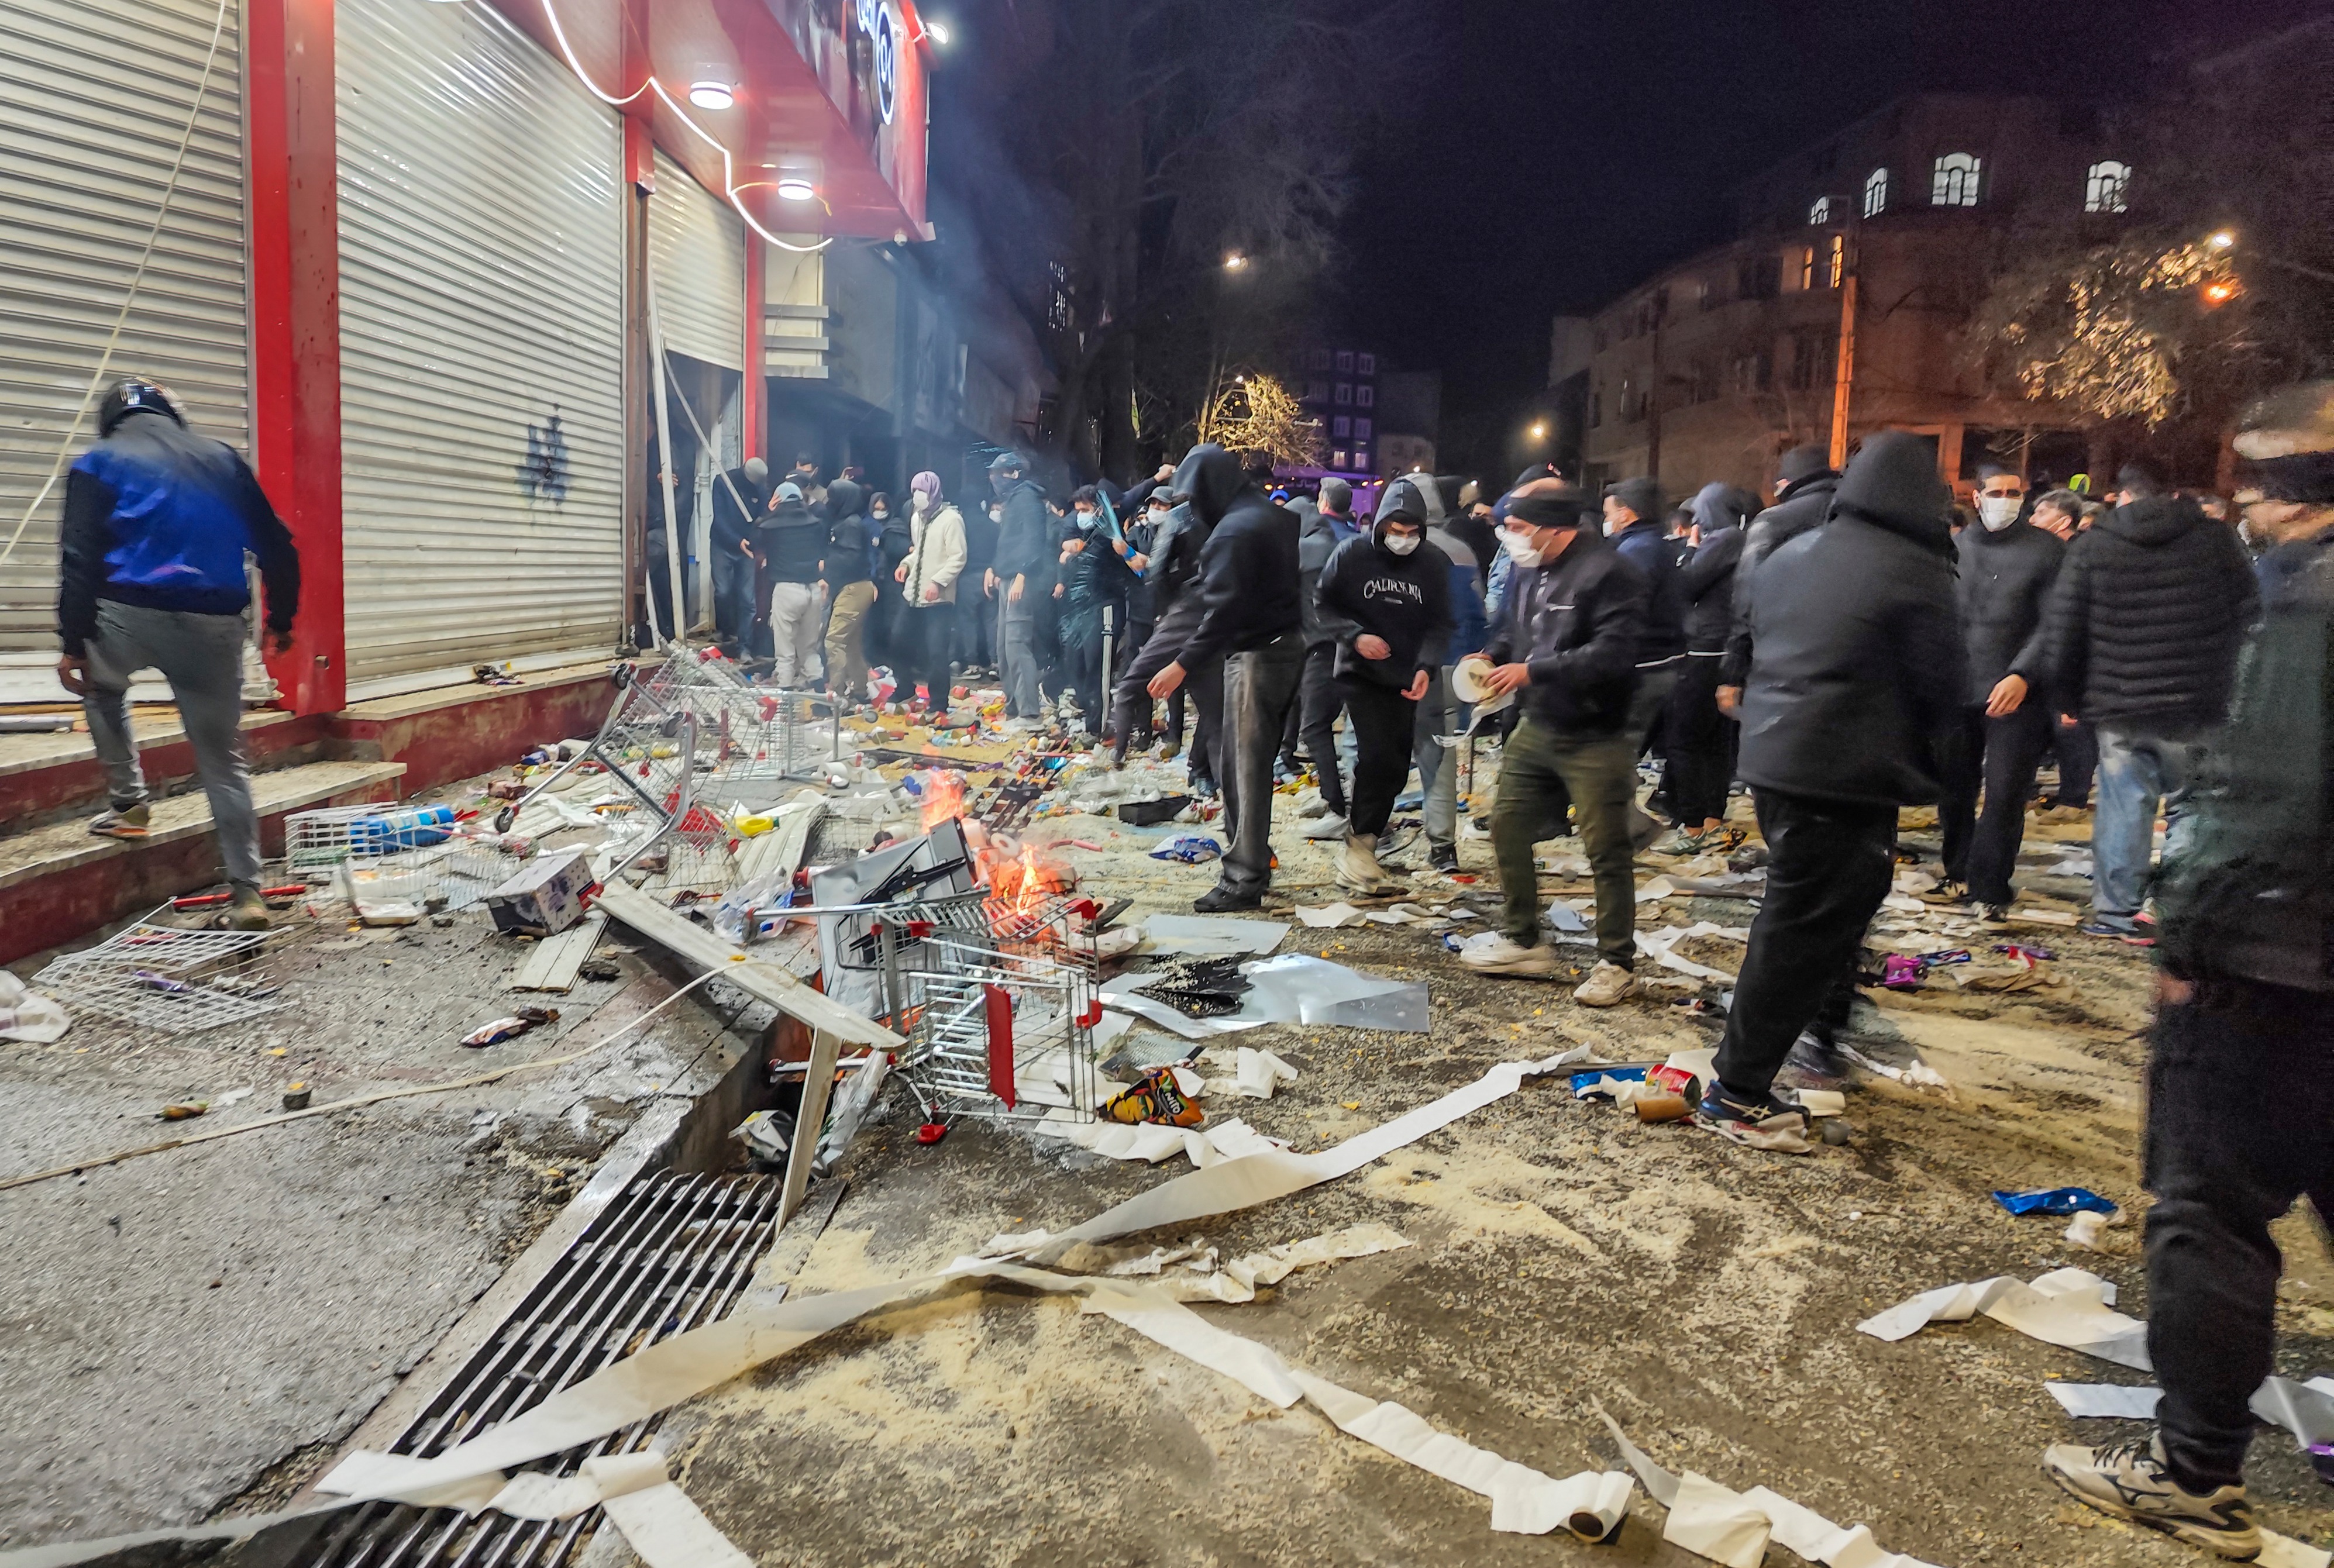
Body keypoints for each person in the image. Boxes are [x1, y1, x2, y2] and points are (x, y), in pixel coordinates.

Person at [2042, 383, 2334, 1562]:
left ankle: (2195, 1468)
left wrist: (2188, 938)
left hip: (2270, 966)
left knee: (2210, 1209)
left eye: (2259, 485)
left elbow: (2265, 800)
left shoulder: (2304, 611)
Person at [1699, 432, 1963, 1128]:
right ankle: (1739, 1089)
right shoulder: (1916, 569)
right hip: (1847, 773)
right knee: (1801, 927)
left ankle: (1765, 1064)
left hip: (1776, 760)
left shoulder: (1793, 552)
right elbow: (1947, 684)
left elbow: (1752, 633)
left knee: (1804, 916)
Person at [57, 377, 300, 931]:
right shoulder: (221, 459)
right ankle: (248, 893)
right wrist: (280, 621)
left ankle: (129, 805)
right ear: (171, 414)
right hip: (211, 626)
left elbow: (78, 558)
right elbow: (277, 545)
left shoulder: (97, 462)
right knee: (223, 762)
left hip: (125, 615)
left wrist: (73, 645)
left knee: (101, 688)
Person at [2036, 464, 2259, 939]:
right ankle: (2173, 911)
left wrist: (2068, 698)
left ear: (2121, 496)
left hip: (2119, 703)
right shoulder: (2216, 541)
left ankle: (2116, 914)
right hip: (2199, 702)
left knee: (2123, 808)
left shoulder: (2095, 545)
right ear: (2177, 493)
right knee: (2191, 809)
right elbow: (2249, 614)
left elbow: (2064, 629)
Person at [1457, 488, 1650, 1008]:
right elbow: (1513, 631)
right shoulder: (1528, 567)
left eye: (1517, 527)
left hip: (1597, 732)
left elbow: (1613, 654)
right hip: (1538, 724)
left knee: (1606, 848)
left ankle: (1617, 961)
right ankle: (1523, 938)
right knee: (1507, 823)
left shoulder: (1613, 573)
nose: (1510, 537)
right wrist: (1492, 656)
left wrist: (1531, 671)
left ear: (1553, 527)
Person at [1146, 445, 1302, 912]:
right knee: (1249, 765)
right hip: (1285, 644)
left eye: (1195, 497)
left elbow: (1222, 614)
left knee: (1242, 769)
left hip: (1256, 653)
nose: (1194, 509)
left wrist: (1181, 664)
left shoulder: (1234, 532)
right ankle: (1254, 855)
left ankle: (1243, 878)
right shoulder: (1271, 516)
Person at [1937, 463, 2063, 916]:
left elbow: (2055, 622)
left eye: (2015, 492)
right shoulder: (1955, 548)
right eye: (1997, 492)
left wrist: (2022, 673)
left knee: (2006, 790)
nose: (2006, 500)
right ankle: (1958, 868)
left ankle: (1989, 885)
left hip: (2016, 690)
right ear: (1977, 497)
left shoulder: (2047, 551)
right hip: (1958, 687)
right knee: (1954, 785)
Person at [1316, 506, 1452, 891]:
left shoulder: (1432, 564)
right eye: (1396, 530)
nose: (1404, 538)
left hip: (1407, 675)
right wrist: (1355, 635)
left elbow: (1441, 623)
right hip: (1360, 672)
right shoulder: (1352, 554)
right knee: (1375, 755)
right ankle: (1358, 847)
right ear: (1380, 527)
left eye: (1413, 532)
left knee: (1395, 762)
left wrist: (1427, 666)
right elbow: (1322, 603)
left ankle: (1367, 842)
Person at [1109, 484, 1223, 788]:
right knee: (1212, 705)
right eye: (1155, 504)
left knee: (1137, 683)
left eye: (1164, 504)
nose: (1159, 510)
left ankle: (1128, 751)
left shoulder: (1183, 524)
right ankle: (1202, 772)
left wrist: (1163, 607)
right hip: (1194, 616)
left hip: (1183, 616)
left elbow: (1154, 570)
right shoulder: (1219, 522)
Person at [1661, 483, 1752, 850]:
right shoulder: (1746, 539)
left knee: (1684, 741)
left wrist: (1689, 549)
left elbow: (1684, 586)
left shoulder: (1724, 541)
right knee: (1716, 744)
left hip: (1704, 652)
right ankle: (1713, 818)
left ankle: (1694, 824)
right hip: (1728, 652)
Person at [1603, 477, 1686, 843]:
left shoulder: (1635, 552)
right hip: (1661, 661)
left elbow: (1622, 612)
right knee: (1625, 748)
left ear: (1626, 511)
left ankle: (1629, 830)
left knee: (1616, 750)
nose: (1608, 520)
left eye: (1609, 511)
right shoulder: (1660, 546)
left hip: (1641, 666)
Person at [1294, 478, 1367, 838]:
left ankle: (1337, 807)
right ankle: (1344, 802)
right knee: (1351, 731)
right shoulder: (1348, 544)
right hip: (1353, 645)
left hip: (1324, 647)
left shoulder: (1305, 554)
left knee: (1314, 727)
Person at [1054, 487, 1138, 736]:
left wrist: (1128, 552)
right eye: (1077, 510)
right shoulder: (1083, 535)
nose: (1079, 514)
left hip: (1105, 608)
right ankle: (1089, 710)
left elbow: (1135, 566)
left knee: (1097, 668)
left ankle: (1098, 727)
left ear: (1099, 510)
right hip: (1080, 610)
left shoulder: (1110, 537)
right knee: (1074, 661)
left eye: (1085, 510)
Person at [896, 472, 968, 720]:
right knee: (899, 639)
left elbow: (958, 557)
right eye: (914, 490)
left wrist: (938, 581)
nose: (918, 496)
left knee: (937, 651)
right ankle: (905, 687)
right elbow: (919, 551)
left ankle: (938, 702)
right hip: (913, 593)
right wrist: (906, 564)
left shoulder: (951, 519)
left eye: (922, 491)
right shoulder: (916, 518)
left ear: (934, 492)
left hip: (938, 598)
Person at [986, 452, 1051, 723]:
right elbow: (1009, 543)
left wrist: (1023, 574)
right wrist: (994, 568)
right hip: (1008, 579)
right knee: (1003, 647)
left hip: (1021, 581)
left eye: (999, 474)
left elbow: (1034, 540)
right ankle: (1013, 708)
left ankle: (1030, 712)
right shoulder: (1012, 500)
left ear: (1014, 474)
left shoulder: (1027, 499)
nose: (994, 480)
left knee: (1017, 644)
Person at [753, 480, 826, 686]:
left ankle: (785, 708)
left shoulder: (771, 526)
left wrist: (769, 512)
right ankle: (821, 702)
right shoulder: (814, 522)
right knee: (809, 651)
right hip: (812, 591)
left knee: (785, 655)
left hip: (787, 591)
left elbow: (754, 541)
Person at [818, 477, 878, 704]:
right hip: (853, 588)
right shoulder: (844, 521)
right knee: (851, 643)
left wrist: (827, 564)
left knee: (834, 641)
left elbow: (851, 557)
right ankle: (861, 691)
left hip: (854, 588)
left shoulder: (851, 525)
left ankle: (837, 693)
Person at [709, 456, 767, 654]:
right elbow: (719, 519)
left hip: (747, 550)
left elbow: (761, 520)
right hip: (722, 544)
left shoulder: (760, 489)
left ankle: (745, 647)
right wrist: (736, 541)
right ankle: (725, 629)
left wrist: (753, 542)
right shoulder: (723, 482)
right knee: (723, 592)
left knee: (748, 600)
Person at [866, 491, 913, 684]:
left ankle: (895, 667)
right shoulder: (867, 527)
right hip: (873, 582)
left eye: (883, 509)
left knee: (893, 626)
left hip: (893, 584)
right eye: (876, 509)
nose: (880, 512)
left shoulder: (896, 528)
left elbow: (902, 548)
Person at [957, 481, 1001, 676]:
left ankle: (972, 663)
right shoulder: (993, 526)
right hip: (990, 577)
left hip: (967, 578)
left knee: (969, 621)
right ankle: (995, 663)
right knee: (992, 620)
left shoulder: (961, 526)